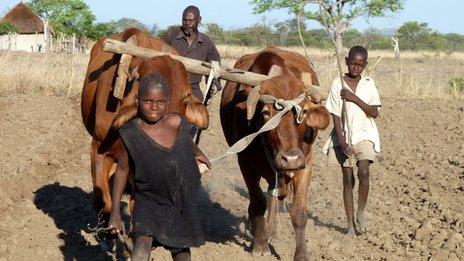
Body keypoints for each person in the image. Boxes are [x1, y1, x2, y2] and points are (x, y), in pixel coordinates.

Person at [108, 73, 211, 261]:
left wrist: (198, 153)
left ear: (168, 101)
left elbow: (186, 141)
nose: (154, 107)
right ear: (138, 100)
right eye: (147, 101)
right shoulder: (130, 133)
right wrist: (115, 211)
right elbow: (122, 170)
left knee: (181, 253)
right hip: (148, 198)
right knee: (141, 244)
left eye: (160, 102)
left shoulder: (176, 122)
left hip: (179, 201)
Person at [322, 45, 381, 236]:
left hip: (364, 134)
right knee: (348, 180)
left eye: (360, 65)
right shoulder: (337, 83)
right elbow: (335, 115)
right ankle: (349, 225)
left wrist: (354, 98)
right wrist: (342, 141)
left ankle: (361, 213)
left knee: (363, 172)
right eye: (353, 63)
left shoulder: (369, 84)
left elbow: (374, 112)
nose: (356, 68)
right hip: (344, 136)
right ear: (346, 61)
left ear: (365, 65)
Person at [162, 5, 222, 103]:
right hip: (170, 86)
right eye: (184, 20)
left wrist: (214, 84)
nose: (187, 24)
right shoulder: (171, 34)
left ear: (199, 20)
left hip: (193, 89)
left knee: (199, 115)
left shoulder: (206, 41)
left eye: (191, 21)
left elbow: (216, 64)